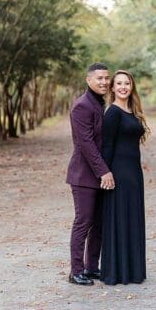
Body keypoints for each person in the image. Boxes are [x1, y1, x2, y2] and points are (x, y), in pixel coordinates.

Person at [99, 70, 150, 285]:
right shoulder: (112, 113)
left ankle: (133, 271)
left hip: (134, 173)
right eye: (118, 83)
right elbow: (107, 145)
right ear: (112, 88)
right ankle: (117, 272)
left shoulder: (132, 111)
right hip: (118, 173)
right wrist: (105, 173)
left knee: (132, 218)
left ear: (132, 87)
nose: (123, 87)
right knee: (119, 218)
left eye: (126, 83)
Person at [66, 62, 115, 286]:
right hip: (84, 176)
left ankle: (91, 267)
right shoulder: (82, 106)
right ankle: (75, 271)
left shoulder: (99, 103)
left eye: (106, 78)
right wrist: (104, 171)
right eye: (99, 78)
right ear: (88, 80)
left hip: (97, 175)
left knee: (98, 223)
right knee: (83, 222)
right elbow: (86, 144)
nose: (104, 82)